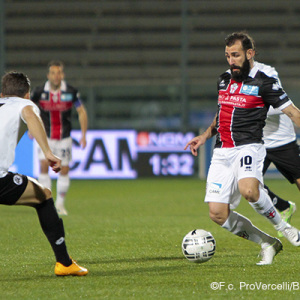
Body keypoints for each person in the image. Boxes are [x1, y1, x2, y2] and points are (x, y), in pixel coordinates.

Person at [185, 31, 300, 266]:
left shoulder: (265, 82)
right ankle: (268, 243)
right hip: (222, 151)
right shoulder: (223, 79)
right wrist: (205, 136)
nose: (231, 61)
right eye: (227, 55)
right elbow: (222, 114)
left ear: (250, 53)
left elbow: (293, 113)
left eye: (235, 55)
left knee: (249, 190)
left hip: (249, 146)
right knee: (217, 214)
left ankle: (284, 227)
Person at [0, 71, 88, 276]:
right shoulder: (25, 105)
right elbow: (30, 115)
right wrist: (48, 152)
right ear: (27, 94)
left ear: (2, 94)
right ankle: (64, 263)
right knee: (44, 196)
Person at [31, 60, 88, 216]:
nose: (56, 76)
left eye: (59, 73)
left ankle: (60, 205)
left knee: (64, 169)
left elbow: (81, 112)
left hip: (64, 137)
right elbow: (28, 109)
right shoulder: (39, 91)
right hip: (45, 137)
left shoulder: (70, 92)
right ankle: (46, 203)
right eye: (53, 73)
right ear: (48, 75)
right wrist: (30, 128)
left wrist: (83, 135)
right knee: (44, 166)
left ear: (62, 74)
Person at [263, 106, 299, 236]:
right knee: (250, 186)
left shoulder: (271, 87)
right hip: (258, 144)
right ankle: (284, 207)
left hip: (283, 142)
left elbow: (293, 112)